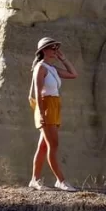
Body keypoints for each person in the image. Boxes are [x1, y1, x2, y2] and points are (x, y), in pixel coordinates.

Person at [28, 36, 78, 191]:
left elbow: (73, 74)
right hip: (46, 107)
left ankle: (34, 180)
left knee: (43, 146)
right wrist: (42, 113)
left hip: (55, 106)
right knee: (53, 145)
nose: (55, 50)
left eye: (56, 48)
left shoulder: (53, 69)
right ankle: (61, 180)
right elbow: (38, 91)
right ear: (43, 51)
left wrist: (64, 59)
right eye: (52, 48)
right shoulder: (40, 67)